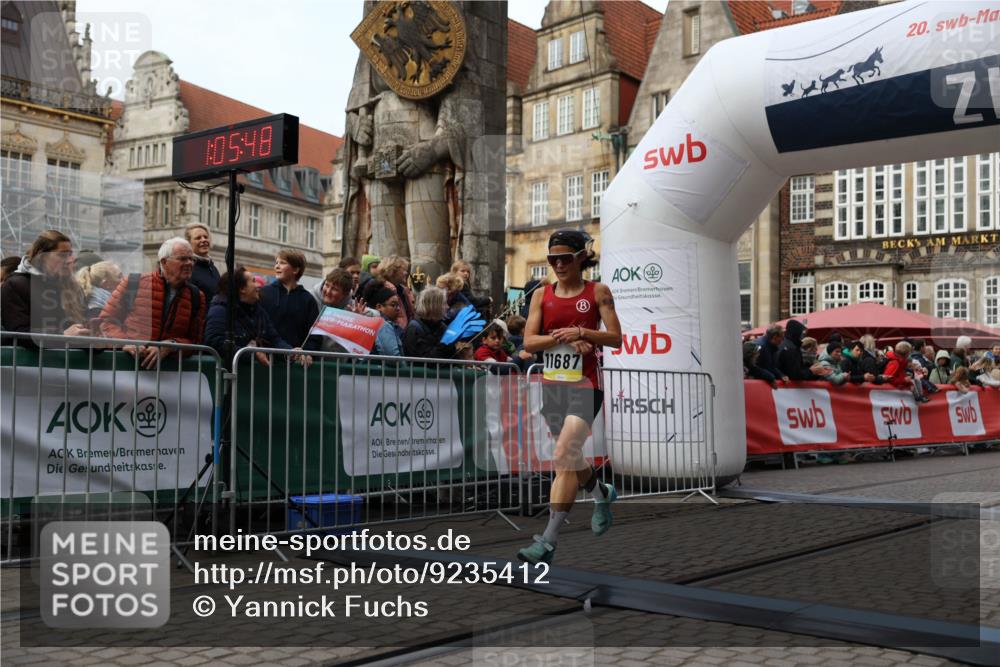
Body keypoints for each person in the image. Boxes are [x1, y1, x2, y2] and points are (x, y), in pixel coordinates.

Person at [517, 229, 622, 566]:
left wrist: (582, 332)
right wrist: (562, 338)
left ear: (580, 258)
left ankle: (547, 541)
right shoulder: (541, 295)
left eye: (565, 258)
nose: (559, 265)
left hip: (586, 385)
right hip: (554, 386)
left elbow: (616, 337)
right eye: (553, 260)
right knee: (571, 455)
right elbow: (529, 343)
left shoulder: (598, 292)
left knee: (564, 454)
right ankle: (601, 494)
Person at [99, 237, 206, 368]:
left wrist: (171, 346)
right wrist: (125, 343)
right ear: (164, 262)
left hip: (169, 374)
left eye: (191, 259)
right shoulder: (133, 283)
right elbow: (106, 321)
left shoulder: (196, 296)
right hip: (126, 369)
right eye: (183, 259)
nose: (189, 263)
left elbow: (195, 342)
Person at [0, 230, 89, 344]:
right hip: (32, 356)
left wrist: (96, 340)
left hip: (68, 355)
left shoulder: (74, 288)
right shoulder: (16, 285)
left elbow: (80, 329)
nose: (70, 260)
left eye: (70, 254)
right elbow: (18, 332)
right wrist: (62, 335)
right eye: (62, 255)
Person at [204, 267, 302, 366]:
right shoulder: (220, 310)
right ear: (242, 289)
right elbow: (214, 342)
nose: (258, 285)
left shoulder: (260, 312)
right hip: (226, 373)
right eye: (253, 281)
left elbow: (275, 339)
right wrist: (251, 354)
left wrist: (289, 352)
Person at [259, 249, 320, 349]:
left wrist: (306, 352)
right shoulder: (264, 293)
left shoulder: (308, 299)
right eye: (276, 263)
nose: (277, 266)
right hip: (266, 356)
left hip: (296, 357)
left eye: (282, 263)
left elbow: (315, 335)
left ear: (295, 270)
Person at [402, 286, 456, 360]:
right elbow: (425, 359)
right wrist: (444, 345)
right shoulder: (414, 328)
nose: (447, 307)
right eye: (444, 303)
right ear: (434, 306)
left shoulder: (441, 325)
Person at [361, 279, 404, 357]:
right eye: (393, 305)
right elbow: (393, 358)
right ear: (379, 307)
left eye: (398, 305)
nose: (398, 309)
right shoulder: (383, 325)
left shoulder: (367, 321)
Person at [377, 255, 415, 329]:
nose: (406, 273)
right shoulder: (385, 290)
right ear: (392, 271)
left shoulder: (403, 290)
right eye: (403, 270)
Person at [185, 223, 220, 298]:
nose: (204, 240)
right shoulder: (188, 269)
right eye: (198, 238)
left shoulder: (213, 268)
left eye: (206, 237)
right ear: (188, 243)